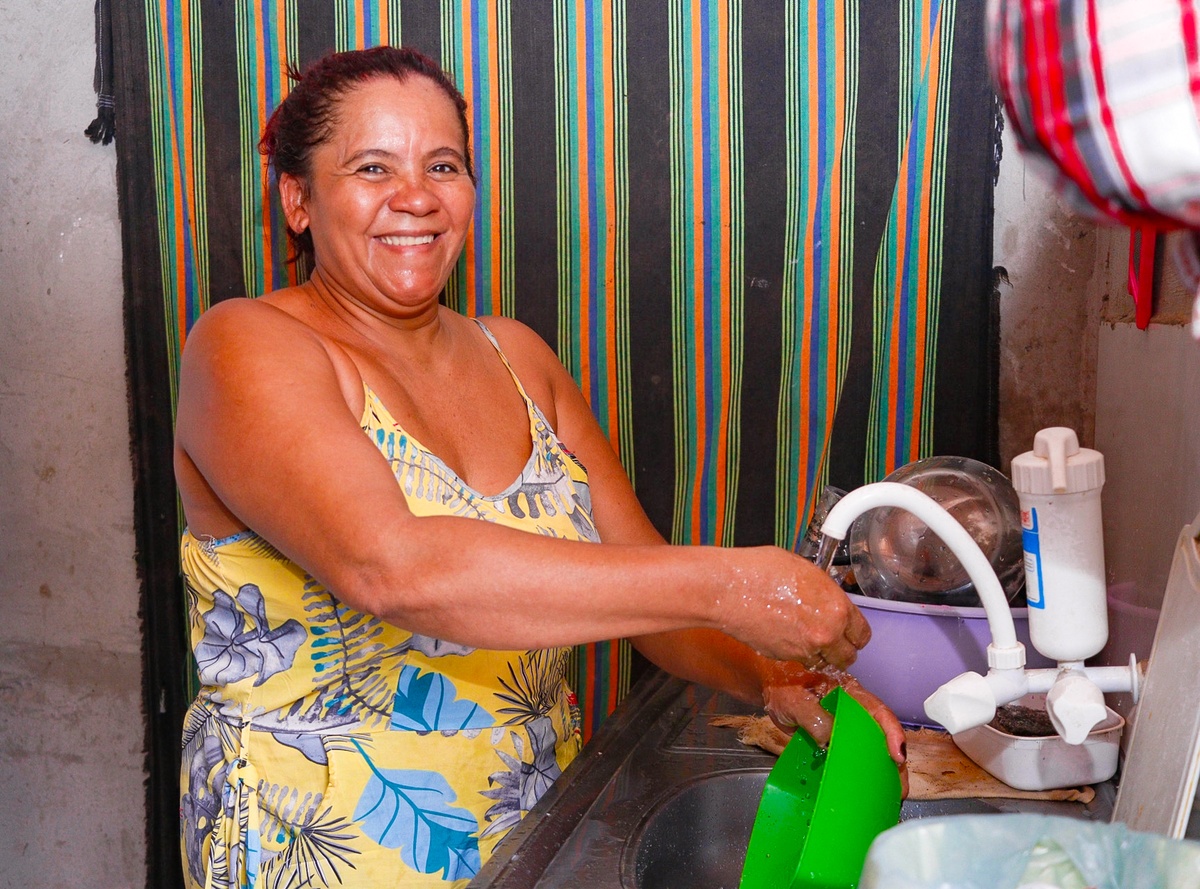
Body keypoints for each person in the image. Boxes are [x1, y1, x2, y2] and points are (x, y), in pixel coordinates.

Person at [174, 45, 906, 889]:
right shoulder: (246, 345)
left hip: (535, 830)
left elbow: (643, 595)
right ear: (298, 200)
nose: (415, 196)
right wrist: (731, 583)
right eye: (372, 167)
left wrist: (776, 677)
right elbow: (391, 565)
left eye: (442, 165)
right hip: (321, 847)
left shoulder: (516, 357)